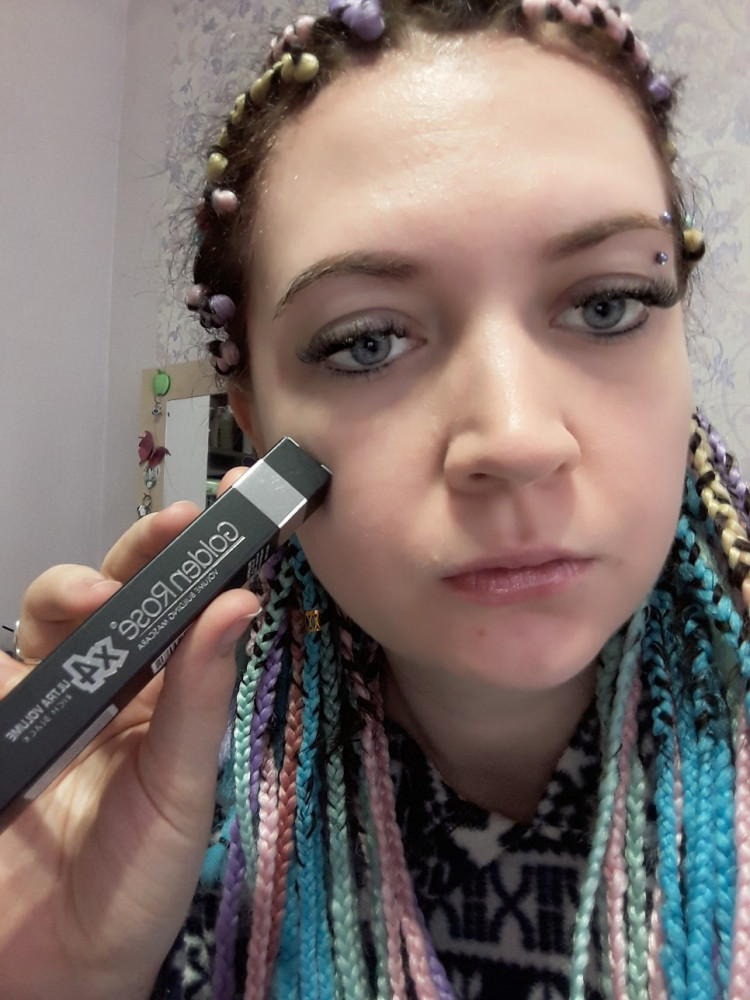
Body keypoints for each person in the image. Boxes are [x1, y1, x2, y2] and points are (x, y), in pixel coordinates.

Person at [1, 0, 747, 996]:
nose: (516, 438)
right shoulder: (154, 810)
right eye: (367, 341)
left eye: (607, 305)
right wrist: (68, 971)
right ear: (256, 422)